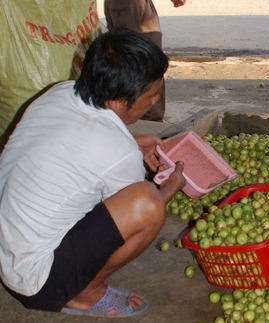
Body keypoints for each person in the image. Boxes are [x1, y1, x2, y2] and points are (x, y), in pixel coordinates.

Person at [0, 27, 186, 317]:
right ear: (118, 100)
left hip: (7, 248)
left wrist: (130, 145)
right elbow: (130, 211)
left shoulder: (60, 91)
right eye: (151, 94)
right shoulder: (116, 151)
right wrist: (169, 188)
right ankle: (85, 292)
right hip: (34, 282)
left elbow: (71, 146)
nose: (154, 101)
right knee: (147, 204)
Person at [104, 0, 186, 122]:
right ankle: (148, 125)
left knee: (129, 58)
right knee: (146, 63)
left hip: (124, 6)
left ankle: (140, 121)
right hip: (131, 7)